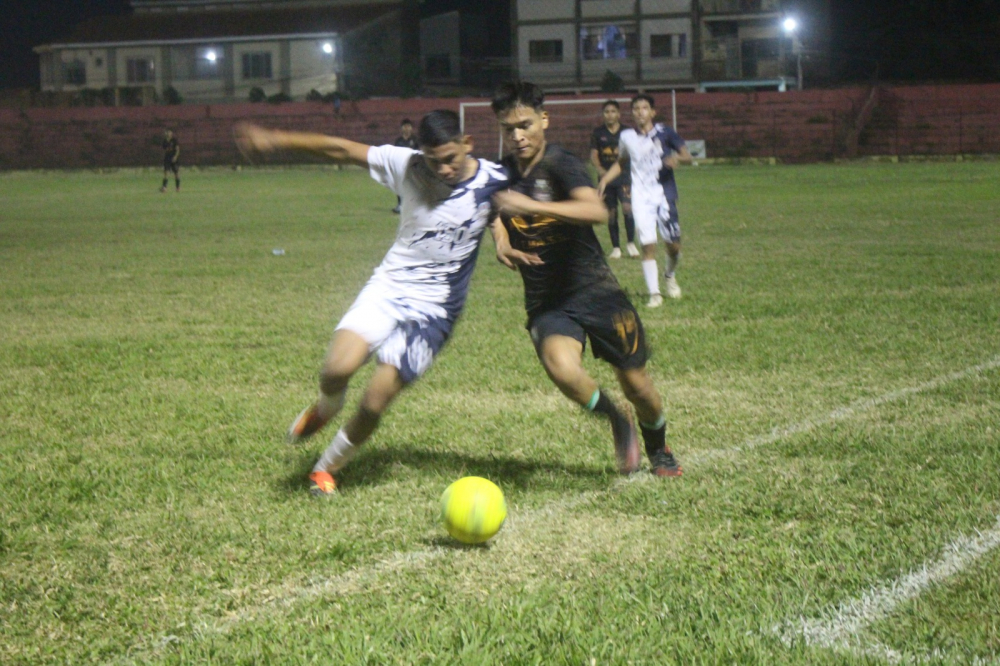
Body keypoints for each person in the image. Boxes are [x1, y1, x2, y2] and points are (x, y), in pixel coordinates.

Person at [234, 111, 510, 496]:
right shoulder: (408, 165)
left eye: (451, 158)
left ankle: (325, 469)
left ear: (468, 144)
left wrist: (501, 236)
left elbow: (496, 206)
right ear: (420, 153)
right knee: (335, 370)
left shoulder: (495, 178)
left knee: (375, 400)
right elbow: (341, 149)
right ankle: (325, 408)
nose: (444, 169)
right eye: (435, 161)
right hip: (389, 289)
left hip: (434, 312)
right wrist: (277, 139)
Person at [489, 81, 681, 478]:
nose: (517, 135)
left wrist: (525, 204)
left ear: (544, 119)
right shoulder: (502, 172)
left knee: (637, 384)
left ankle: (659, 448)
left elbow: (596, 211)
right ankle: (617, 420)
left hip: (596, 291)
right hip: (547, 299)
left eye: (525, 124)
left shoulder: (561, 163)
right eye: (508, 129)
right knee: (561, 367)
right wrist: (500, 236)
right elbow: (486, 201)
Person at [598, 94, 692, 307]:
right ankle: (654, 294)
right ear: (632, 113)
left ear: (652, 112)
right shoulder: (627, 136)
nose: (640, 112)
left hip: (664, 194)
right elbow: (621, 162)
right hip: (640, 197)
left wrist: (677, 159)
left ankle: (669, 275)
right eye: (636, 108)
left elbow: (687, 155)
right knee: (648, 245)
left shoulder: (665, 132)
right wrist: (605, 180)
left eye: (644, 108)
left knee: (673, 246)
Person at [589, 100, 638, 259]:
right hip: (606, 179)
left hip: (624, 177)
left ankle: (631, 243)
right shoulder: (598, 133)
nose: (609, 114)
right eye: (606, 112)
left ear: (618, 114)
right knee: (611, 213)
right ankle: (616, 247)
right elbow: (594, 155)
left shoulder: (628, 132)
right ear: (603, 115)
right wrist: (600, 170)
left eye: (612, 111)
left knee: (627, 208)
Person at [391, 119, 418, 213]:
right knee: (399, 184)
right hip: (400, 166)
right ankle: (400, 205)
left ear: (411, 128)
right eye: (405, 126)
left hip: (412, 166)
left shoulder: (415, 140)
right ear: (401, 128)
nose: (406, 128)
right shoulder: (398, 141)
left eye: (408, 126)